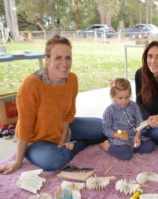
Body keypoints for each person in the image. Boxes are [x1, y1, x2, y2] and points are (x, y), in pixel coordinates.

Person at [0, 35, 105, 174]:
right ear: (47, 59)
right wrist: (18, 162)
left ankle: (68, 146)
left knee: (106, 126)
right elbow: (24, 127)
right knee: (54, 161)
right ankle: (81, 144)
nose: (65, 63)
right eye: (58, 58)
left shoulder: (72, 79)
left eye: (68, 57)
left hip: (63, 129)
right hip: (36, 141)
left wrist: (61, 141)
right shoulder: (31, 85)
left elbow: (69, 114)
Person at [99, 78, 155, 160]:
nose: (124, 101)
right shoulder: (109, 111)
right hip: (119, 139)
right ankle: (107, 146)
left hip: (134, 136)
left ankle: (130, 148)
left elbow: (139, 122)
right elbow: (106, 129)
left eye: (127, 97)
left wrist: (137, 136)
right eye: (120, 98)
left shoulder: (134, 106)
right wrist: (118, 135)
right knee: (126, 155)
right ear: (113, 96)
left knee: (150, 146)